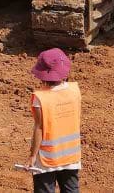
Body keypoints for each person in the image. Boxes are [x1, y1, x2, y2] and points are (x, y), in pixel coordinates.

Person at [27, 48, 81, 193]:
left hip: (47, 158)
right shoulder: (75, 90)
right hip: (71, 156)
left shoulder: (40, 98)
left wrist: (32, 156)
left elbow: (39, 128)